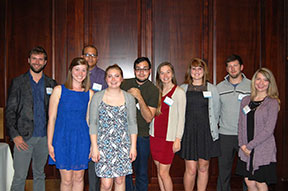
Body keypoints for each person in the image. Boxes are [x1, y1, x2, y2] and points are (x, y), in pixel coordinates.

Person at [5, 46, 57, 191]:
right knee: (20, 176)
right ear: (29, 60)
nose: (37, 62)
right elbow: (10, 111)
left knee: (40, 174)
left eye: (40, 59)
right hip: (23, 138)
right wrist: (15, 135)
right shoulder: (18, 82)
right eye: (34, 58)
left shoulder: (51, 84)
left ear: (45, 62)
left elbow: (55, 113)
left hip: (44, 138)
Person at [47, 57, 94, 191]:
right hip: (62, 138)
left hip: (82, 139)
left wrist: (92, 144)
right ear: (70, 70)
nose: (80, 73)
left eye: (84, 70)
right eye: (77, 69)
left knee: (79, 178)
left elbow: (90, 121)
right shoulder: (58, 90)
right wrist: (50, 143)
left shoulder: (89, 93)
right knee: (66, 180)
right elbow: (52, 119)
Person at [89, 64, 138, 191]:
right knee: (106, 184)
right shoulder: (97, 97)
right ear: (106, 79)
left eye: (117, 76)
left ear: (122, 79)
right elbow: (93, 123)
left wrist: (133, 147)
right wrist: (94, 147)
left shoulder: (129, 98)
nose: (113, 79)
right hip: (103, 145)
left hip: (123, 145)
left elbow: (132, 124)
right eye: (110, 76)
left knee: (120, 180)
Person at [177, 58, 220, 191]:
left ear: (204, 71)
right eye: (194, 69)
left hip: (206, 133)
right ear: (190, 71)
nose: (196, 71)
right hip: (189, 133)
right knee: (191, 170)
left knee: (203, 167)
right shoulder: (182, 88)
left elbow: (216, 111)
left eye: (199, 68)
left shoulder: (212, 88)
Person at [236, 68, 279, 191]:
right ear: (254, 81)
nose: (261, 83)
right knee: (249, 182)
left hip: (262, 149)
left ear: (270, 83)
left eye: (265, 80)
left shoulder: (272, 102)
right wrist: (242, 145)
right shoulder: (245, 100)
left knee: (260, 183)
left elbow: (268, 130)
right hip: (245, 149)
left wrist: (250, 146)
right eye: (258, 79)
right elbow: (240, 125)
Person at [121, 57, 159, 191]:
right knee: (124, 173)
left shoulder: (153, 90)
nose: (141, 72)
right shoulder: (124, 84)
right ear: (134, 70)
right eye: (138, 69)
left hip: (142, 137)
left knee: (142, 172)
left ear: (149, 71)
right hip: (123, 136)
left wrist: (139, 96)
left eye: (144, 69)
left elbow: (149, 118)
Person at [149, 62, 186, 191]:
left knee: (164, 173)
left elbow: (182, 118)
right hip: (155, 137)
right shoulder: (156, 91)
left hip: (168, 139)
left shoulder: (179, 92)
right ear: (158, 75)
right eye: (162, 72)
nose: (165, 75)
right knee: (159, 170)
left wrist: (178, 139)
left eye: (168, 72)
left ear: (172, 74)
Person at [216, 54, 251, 191]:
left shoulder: (252, 85)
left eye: (235, 65)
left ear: (241, 67)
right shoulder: (219, 87)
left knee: (247, 172)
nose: (233, 69)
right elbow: (215, 111)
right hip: (225, 135)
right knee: (223, 172)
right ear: (226, 69)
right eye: (230, 66)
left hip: (246, 136)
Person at [82, 44, 107, 191]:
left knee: (94, 163)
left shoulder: (103, 76)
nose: (90, 58)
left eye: (93, 55)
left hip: (97, 125)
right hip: (78, 124)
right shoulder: (77, 72)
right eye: (87, 54)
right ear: (82, 56)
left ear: (97, 58)